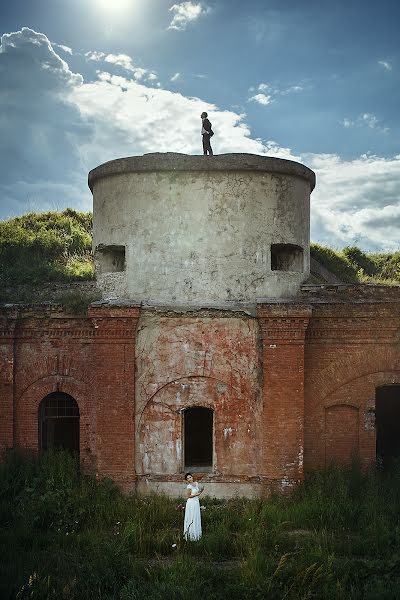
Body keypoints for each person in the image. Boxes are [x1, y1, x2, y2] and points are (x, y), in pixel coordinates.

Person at [183, 472, 204, 541]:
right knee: (191, 517)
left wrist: (201, 491)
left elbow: (198, 493)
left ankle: (196, 534)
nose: (189, 479)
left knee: (196, 516)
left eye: (190, 477)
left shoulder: (196, 483)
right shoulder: (189, 486)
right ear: (187, 480)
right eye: (188, 478)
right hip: (191, 503)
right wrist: (196, 495)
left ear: (192, 477)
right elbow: (188, 496)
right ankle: (191, 535)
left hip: (196, 502)